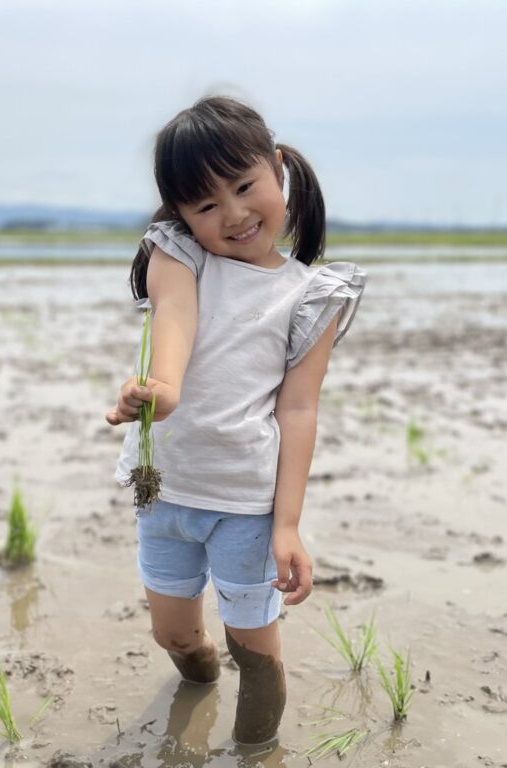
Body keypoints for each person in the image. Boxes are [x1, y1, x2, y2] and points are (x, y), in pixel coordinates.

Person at [105, 95, 365, 746]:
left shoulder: (312, 295)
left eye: (245, 186)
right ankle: (193, 693)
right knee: (174, 635)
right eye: (206, 205)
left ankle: (255, 752)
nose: (234, 214)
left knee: (254, 648)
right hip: (164, 493)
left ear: (277, 169)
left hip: (246, 505)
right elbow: (174, 319)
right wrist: (160, 390)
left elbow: (299, 409)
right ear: (180, 213)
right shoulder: (180, 255)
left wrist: (287, 525)